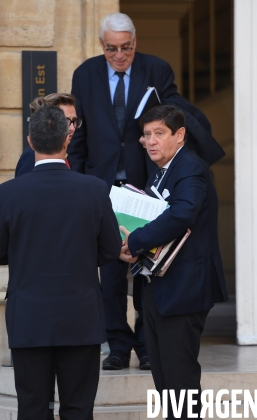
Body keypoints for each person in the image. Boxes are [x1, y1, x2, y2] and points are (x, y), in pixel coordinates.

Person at [0, 105, 121, 420]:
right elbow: (110, 250)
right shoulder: (95, 190)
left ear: (30, 141)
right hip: (81, 317)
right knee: (79, 409)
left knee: (32, 409)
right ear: (67, 139)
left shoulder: (7, 194)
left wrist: (22, 253)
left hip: (29, 318)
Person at [67, 11, 182, 371]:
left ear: (135, 44)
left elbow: (172, 120)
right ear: (102, 45)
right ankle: (117, 345)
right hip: (102, 188)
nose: (120, 56)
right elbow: (79, 135)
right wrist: (82, 182)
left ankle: (147, 345)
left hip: (146, 187)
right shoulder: (85, 74)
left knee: (146, 269)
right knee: (111, 271)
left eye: (127, 48)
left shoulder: (157, 70)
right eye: (112, 49)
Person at [119, 105, 228, 419]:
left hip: (184, 290)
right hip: (159, 286)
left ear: (180, 135)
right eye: (147, 134)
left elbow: (181, 215)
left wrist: (135, 241)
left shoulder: (191, 167)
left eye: (159, 133)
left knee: (179, 381)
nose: (150, 141)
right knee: (165, 382)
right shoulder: (162, 169)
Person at [14, 93, 82, 177]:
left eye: (74, 121)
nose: (72, 128)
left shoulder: (69, 151)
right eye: (65, 121)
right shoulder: (33, 155)